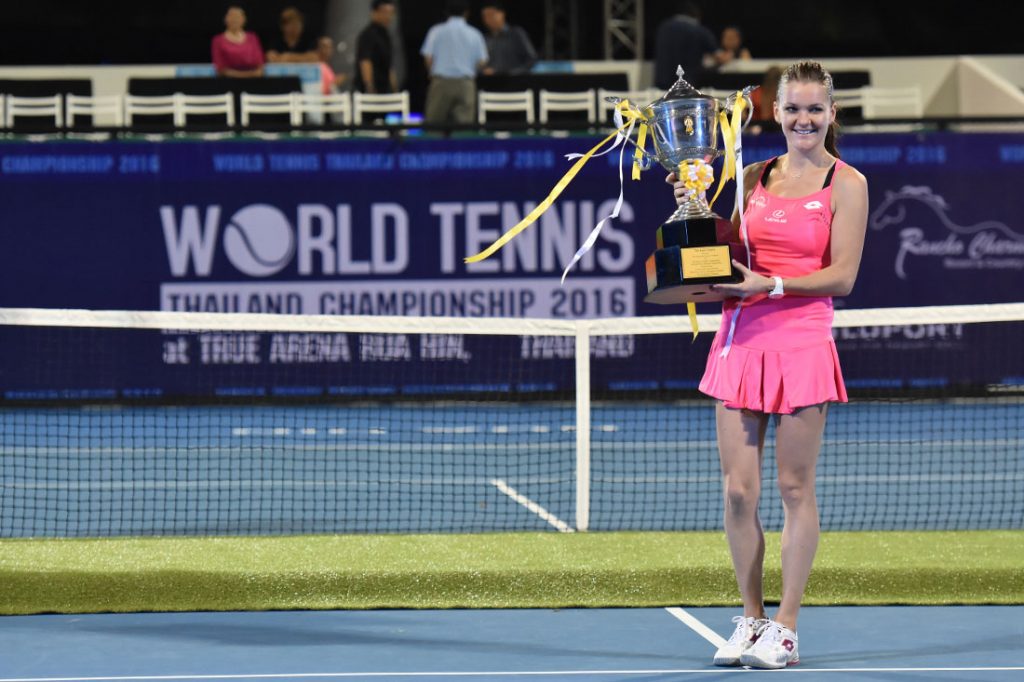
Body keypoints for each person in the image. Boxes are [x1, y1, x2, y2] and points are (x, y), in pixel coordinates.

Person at [667, 60, 868, 669]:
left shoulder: (847, 183)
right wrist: (695, 209)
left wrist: (772, 285)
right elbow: (728, 254)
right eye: (792, 108)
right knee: (737, 493)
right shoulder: (751, 175)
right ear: (774, 113)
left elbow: (844, 276)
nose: (803, 119)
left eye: (814, 109)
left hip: (802, 341)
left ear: (831, 114)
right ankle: (751, 618)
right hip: (739, 342)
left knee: (793, 487)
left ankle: (786, 626)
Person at [420, 0, 488, 125]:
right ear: (466, 13)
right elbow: (482, 61)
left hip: (441, 83)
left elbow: (428, 57)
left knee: (434, 127)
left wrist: (431, 72)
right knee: (463, 130)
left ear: (447, 12)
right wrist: (470, 68)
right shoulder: (474, 33)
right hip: (465, 84)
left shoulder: (436, 31)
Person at [653, 1, 717, 89]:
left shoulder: (663, 27)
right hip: (686, 84)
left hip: (661, 83)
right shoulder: (698, 30)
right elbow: (717, 56)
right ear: (696, 16)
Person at [480, 2, 537, 76]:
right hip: (491, 83)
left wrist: (511, 73)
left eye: (491, 14)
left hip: (516, 83)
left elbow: (531, 59)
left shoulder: (516, 34)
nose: (488, 19)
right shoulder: (484, 39)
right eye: (485, 16)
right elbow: (480, 62)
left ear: (501, 14)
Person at [354, 0, 398, 94]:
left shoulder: (386, 35)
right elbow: (365, 61)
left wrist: (394, 88)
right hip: (370, 90)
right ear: (374, 13)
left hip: (384, 89)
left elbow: (388, 64)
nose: (388, 16)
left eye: (391, 13)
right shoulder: (368, 34)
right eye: (385, 12)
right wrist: (369, 86)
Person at [211, 6, 264, 78]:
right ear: (225, 19)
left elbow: (260, 65)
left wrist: (254, 74)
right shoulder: (218, 40)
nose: (234, 19)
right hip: (227, 82)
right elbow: (220, 69)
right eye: (231, 16)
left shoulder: (253, 38)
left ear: (244, 19)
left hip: (253, 82)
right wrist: (246, 75)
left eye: (238, 16)